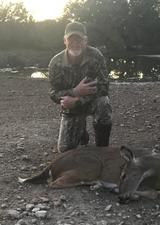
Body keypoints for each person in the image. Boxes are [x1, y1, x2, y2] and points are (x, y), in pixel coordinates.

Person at [48, 21, 112, 153]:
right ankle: (81, 131)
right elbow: (54, 94)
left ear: (86, 40)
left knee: (104, 103)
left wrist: (77, 99)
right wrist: (75, 91)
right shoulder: (55, 63)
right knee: (65, 151)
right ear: (64, 40)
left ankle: (102, 151)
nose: (75, 43)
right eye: (71, 39)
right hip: (71, 108)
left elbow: (103, 87)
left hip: (88, 102)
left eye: (79, 39)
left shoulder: (96, 56)